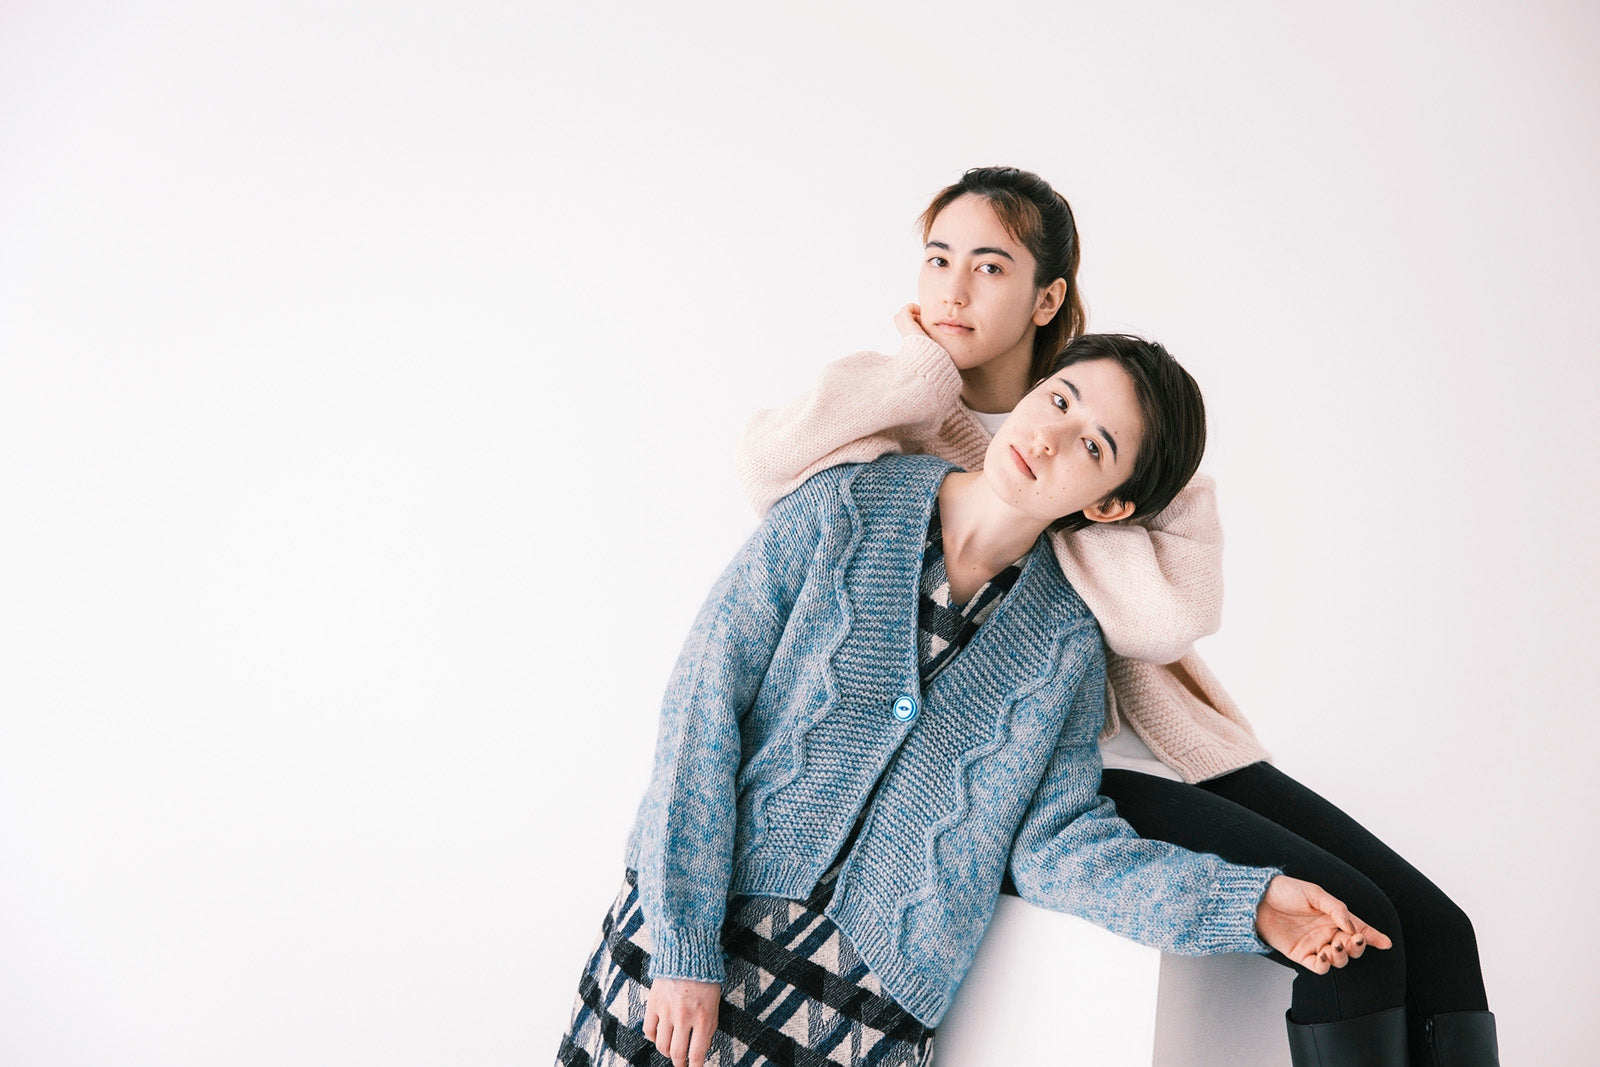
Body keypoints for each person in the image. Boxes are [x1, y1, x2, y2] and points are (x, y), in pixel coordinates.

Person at [735, 165, 1497, 1066]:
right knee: (1359, 934)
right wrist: (923, 376)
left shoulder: (1098, 406)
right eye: (938, 259)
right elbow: (769, 467)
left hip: (1173, 747)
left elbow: (1163, 618)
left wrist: (1107, 463)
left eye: (988, 267)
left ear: (1047, 297)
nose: (953, 290)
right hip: (1048, 768)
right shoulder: (899, 413)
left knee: (1438, 929)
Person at [556, 335, 1390, 1067]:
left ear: (1108, 505)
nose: (1050, 437)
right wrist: (683, 943)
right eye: (1059, 398)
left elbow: (1058, 847)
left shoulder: (1068, 644)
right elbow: (699, 715)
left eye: (1092, 445)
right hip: (689, 943)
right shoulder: (842, 504)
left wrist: (1248, 905)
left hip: (858, 1013)